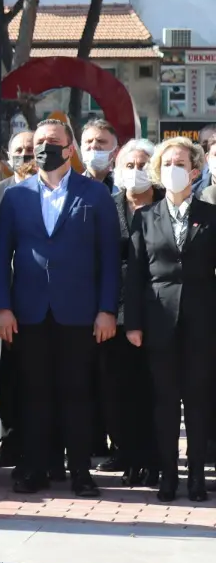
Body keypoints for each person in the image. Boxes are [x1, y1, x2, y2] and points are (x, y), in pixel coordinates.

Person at [0, 118, 120, 497]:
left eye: (52, 141)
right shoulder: (17, 196)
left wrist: (106, 310)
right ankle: (35, 467)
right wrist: (2, 306)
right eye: (39, 142)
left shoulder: (94, 195)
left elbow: (110, 259)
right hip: (28, 313)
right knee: (34, 393)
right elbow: (1, 258)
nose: (43, 147)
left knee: (77, 393)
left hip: (80, 313)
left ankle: (80, 470)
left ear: (69, 149)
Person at [125, 137, 214, 502]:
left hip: (202, 319)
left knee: (197, 399)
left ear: (194, 171)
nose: (173, 170)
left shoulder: (211, 216)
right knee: (164, 401)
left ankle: (195, 476)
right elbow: (135, 276)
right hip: (158, 319)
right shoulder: (146, 217)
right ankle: (168, 475)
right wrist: (132, 323)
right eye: (167, 164)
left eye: (181, 164)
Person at [0, 130, 36, 469]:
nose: (26, 156)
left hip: (40, 299)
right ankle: (8, 441)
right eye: (19, 150)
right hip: (3, 298)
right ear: (7, 155)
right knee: (3, 375)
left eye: (31, 150)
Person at [103, 139, 159, 488]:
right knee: (117, 388)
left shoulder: (166, 206)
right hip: (114, 312)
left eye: (142, 166)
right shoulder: (106, 207)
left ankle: (152, 457)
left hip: (157, 311)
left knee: (153, 389)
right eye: (129, 165)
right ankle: (126, 451)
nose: (135, 172)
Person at [79, 118, 119, 190]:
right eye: (89, 141)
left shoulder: (124, 188)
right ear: (81, 149)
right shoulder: (71, 187)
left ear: (115, 151)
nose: (94, 145)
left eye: (101, 141)